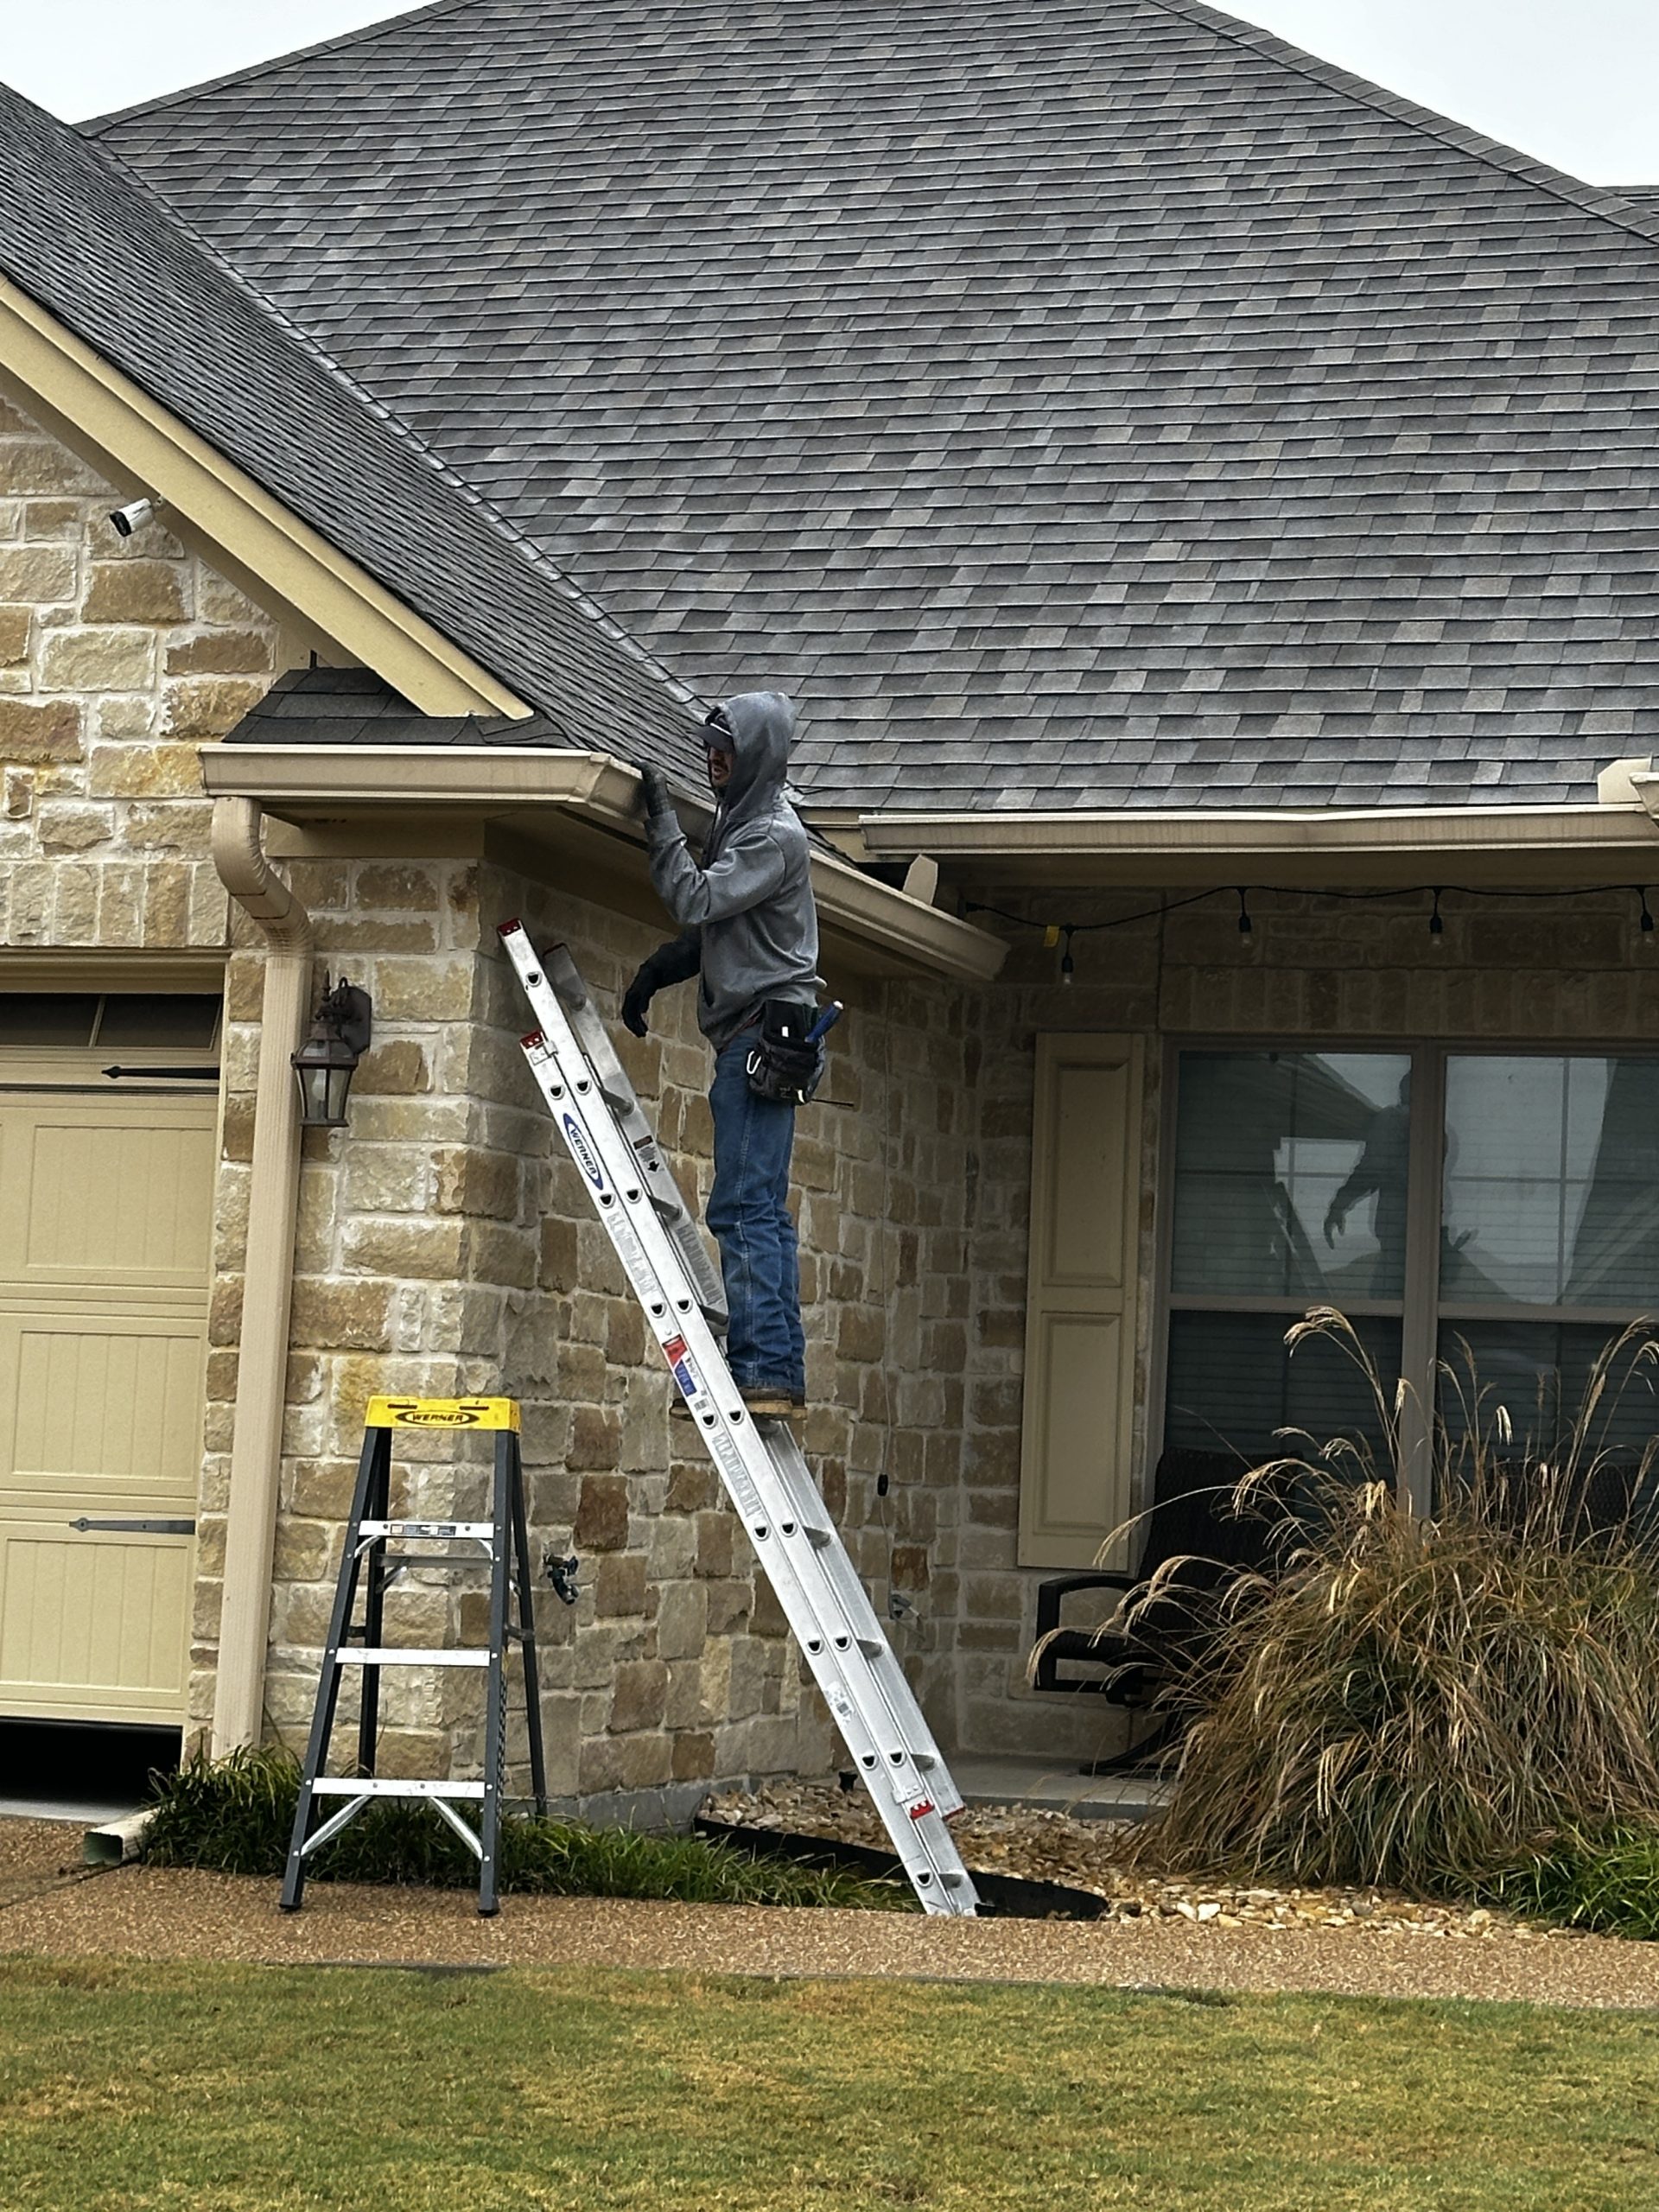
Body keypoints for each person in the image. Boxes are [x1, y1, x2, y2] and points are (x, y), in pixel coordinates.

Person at [623, 692, 823, 1420]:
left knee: (745, 1210)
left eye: (727, 750)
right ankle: (771, 1367)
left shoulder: (771, 834)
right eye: (709, 747)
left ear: (756, 758)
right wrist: (658, 972)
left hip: (760, 1039)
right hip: (761, 1032)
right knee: (756, 1209)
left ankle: (765, 1371)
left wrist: (658, 819)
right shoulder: (745, 825)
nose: (714, 760)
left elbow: (695, 901)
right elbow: (719, 936)